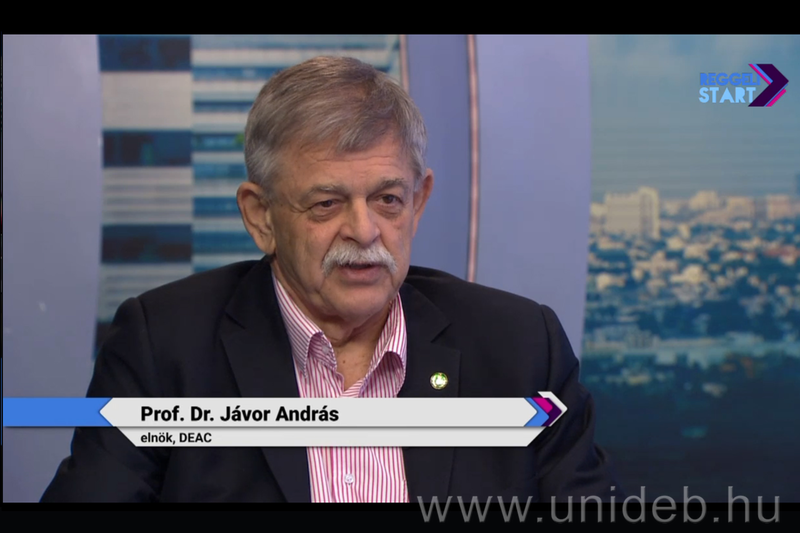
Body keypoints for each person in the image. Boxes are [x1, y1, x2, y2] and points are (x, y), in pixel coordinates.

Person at [41, 56, 619, 503]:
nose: (364, 231)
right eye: (326, 204)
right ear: (261, 217)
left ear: (419, 202)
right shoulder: (164, 349)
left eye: (388, 200)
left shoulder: (519, 346)